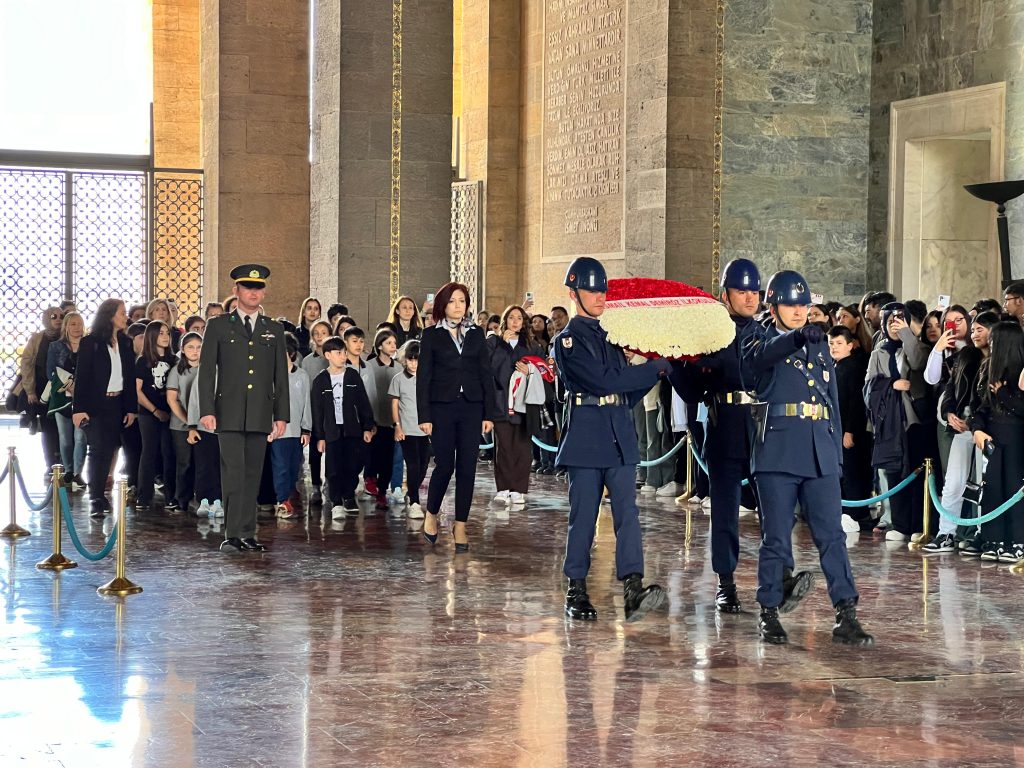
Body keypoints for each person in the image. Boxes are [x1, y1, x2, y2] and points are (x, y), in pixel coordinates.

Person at [671, 258, 813, 613]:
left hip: (763, 424)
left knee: (774, 508)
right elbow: (691, 391)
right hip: (726, 424)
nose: (749, 298)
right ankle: (726, 582)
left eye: (754, 291)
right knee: (724, 511)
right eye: (741, 291)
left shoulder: (768, 333)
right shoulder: (709, 337)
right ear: (725, 295)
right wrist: (673, 362)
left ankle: (781, 575)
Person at [743, 270, 873, 646]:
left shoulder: (817, 344)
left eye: (804, 306)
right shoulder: (757, 337)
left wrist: (834, 457)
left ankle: (846, 612)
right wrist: (795, 336)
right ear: (773, 306)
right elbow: (759, 364)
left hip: (819, 451)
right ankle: (768, 611)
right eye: (791, 305)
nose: (800, 312)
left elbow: (830, 400)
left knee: (833, 536)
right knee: (777, 538)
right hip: (779, 452)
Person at [554, 257, 671, 622]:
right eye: (591, 290)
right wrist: (653, 368)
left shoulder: (613, 336)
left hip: (619, 433)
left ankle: (633, 586)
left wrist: (650, 373)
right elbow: (604, 382)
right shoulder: (568, 340)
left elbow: (625, 392)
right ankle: (576, 588)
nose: (600, 296)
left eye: (603, 289)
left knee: (628, 516)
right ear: (574, 294)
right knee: (584, 517)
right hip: (587, 437)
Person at [198, 264, 290, 553]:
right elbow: (206, 372)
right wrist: (207, 408)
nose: (254, 292)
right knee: (233, 473)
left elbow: (280, 378)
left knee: (252, 474)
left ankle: (248, 534)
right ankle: (233, 533)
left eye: (258, 287)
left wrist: (282, 415)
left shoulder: (273, 329)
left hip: (260, 413)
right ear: (236, 291)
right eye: (247, 287)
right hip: (228, 412)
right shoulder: (219, 326)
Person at [417, 282, 499, 551]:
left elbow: (485, 374)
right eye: (452, 301)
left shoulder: (476, 334)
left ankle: (460, 524)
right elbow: (424, 378)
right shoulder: (431, 336)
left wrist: (489, 412)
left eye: (462, 301)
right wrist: (424, 415)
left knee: (468, 467)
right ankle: (431, 513)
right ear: (443, 305)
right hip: (441, 407)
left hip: (471, 406)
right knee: (445, 465)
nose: (458, 306)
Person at [72, 299, 138, 517]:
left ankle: (101, 494)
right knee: (98, 450)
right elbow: (82, 378)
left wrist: (130, 408)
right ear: (109, 315)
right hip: (96, 404)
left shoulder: (126, 343)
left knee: (110, 450)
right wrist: (78, 409)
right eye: (122, 313)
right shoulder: (91, 342)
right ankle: (96, 497)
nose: (125, 316)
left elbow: (128, 379)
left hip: (117, 403)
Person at [970, 321, 1024, 562]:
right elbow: (981, 408)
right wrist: (977, 429)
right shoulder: (990, 372)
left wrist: (1004, 393)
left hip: (1016, 443)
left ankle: (1018, 540)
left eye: (994, 342)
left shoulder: (1020, 373)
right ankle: (994, 539)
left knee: (1013, 489)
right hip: (993, 441)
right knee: (993, 491)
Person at [311, 333, 375, 519]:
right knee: (333, 467)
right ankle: (336, 501)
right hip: (331, 431)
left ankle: (349, 496)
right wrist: (320, 436)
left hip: (352, 429)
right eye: (338, 352)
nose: (342, 356)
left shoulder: (353, 376)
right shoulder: (320, 380)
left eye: (343, 352)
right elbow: (317, 411)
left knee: (352, 464)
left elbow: (363, 402)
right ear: (328, 355)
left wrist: (367, 426)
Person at [487, 305, 543, 507]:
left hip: (523, 404)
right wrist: (502, 344)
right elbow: (487, 368)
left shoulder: (531, 345)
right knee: (503, 448)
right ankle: (503, 487)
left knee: (522, 448)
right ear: (505, 320)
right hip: (500, 402)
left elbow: (543, 370)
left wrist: (530, 371)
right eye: (511, 317)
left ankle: (518, 489)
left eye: (519, 318)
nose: (515, 321)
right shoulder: (493, 342)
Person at [827, 326, 873, 532]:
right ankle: (847, 512)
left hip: (850, 431)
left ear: (850, 345)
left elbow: (856, 401)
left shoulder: (853, 367)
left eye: (839, 343)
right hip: (837, 430)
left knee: (853, 472)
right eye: (831, 344)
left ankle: (856, 514)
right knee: (844, 473)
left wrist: (850, 431)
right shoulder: (835, 367)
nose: (834, 348)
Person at [134, 321, 178, 510]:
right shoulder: (143, 361)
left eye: (167, 333)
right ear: (152, 336)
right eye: (161, 333)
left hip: (171, 412)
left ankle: (171, 495)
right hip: (148, 413)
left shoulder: (174, 360)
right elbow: (138, 391)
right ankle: (144, 496)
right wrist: (154, 410)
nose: (165, 337)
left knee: (169, 453)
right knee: (149, 453)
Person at [271, 333, 311, 519]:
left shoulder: (301, 376)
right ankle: (282, 500)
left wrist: (306, 428)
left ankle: (286, 495)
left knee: (294, 466)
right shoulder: (268, 376)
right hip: (277, 432)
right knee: (280, 467)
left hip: (296, 431)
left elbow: (306, 403)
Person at [46, 311, 87, 490]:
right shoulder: (56, 346)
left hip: (84, 398)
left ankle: (78, 473)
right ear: (66, 326)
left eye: (79, 323)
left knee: (81, 437)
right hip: (62, 396)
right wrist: (68, 385)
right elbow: (50, 372)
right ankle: (68, 470)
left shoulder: (89, 345)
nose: (77, 327)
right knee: (65, 438)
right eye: (73, 324)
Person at [19, 305, 63, 473]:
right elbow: (27, 362)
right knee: (48, 427)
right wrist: (30, 390)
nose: (58, 319)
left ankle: (64, 462)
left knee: (64, 427)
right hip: (43, 389)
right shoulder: (38, 338)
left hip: (65, 390)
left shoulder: (68, 336)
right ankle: (51, 463)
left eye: (61, 315)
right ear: (46, 319)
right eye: (54, 316)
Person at [390, 340, 427, 519]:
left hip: (425, 429)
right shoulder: (398, 379)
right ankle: (414, 502)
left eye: (417, 360)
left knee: (423, 465)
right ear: (405, 360)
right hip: (407, 430)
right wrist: (397, 426)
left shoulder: (429, 379)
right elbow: (395, 404)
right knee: (412, 465)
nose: (413, 364)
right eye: (410, 360)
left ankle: (411, 490)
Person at [167, 331, 202, 513]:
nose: (195, 351)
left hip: (204, 425)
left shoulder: (207, 370)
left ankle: (199, 498)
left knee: (200, 463)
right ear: (182, 349)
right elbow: (172, 399)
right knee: (184, 462)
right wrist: (189, 421)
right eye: (190, 347)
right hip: (181, 425)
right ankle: (181, 498)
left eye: (198, 347)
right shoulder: (177, 371)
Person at [301, 319, 333, 506]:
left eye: (324, 332)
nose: (320, 336)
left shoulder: (334, 356)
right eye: (316, 333)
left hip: (332, 410)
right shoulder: (307, 361)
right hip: (314, 409)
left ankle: (329, 481)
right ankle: (315, 484)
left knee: (332, 448)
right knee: (315, 449)